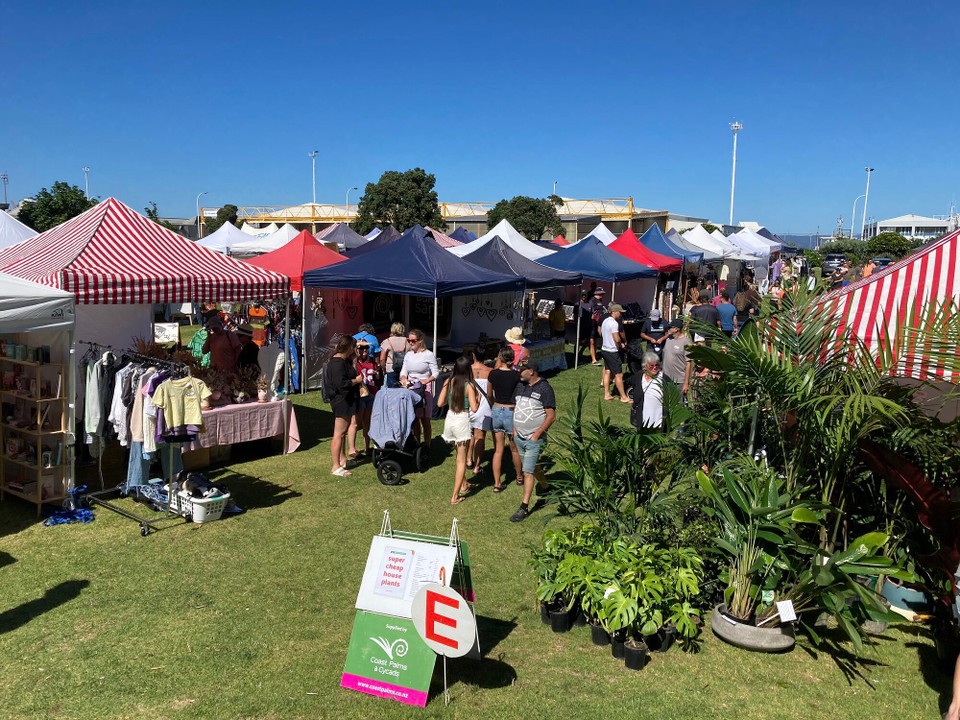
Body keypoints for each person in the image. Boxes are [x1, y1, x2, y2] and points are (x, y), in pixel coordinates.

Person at [510, 361, 556, 522]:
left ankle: (524, 507)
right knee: (532, 466)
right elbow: (516, 407)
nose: (519, 373)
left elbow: (551, 416)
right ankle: (547, 487)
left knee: (527, 472)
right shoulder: (520, 386)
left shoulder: (545, 389)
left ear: (531, 372)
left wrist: (536, 435)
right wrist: (515, 429)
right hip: (519, 437)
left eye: (522, 370)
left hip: (533, 439)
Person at [437, 356, 480, 505]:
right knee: (461, 461)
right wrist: (478, 399)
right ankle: (455, 496)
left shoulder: (448, 381)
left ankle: (464, 484)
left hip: (450, 419)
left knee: (458, 455)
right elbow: (474, 408)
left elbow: (440, 402)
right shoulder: (469, 385)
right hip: (462, 420)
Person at [486, 347, 523, 493]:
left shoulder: (493, 374)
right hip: (511, 410)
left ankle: (497, 483)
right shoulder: (516, 376)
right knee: (514, 449)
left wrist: (494, 404)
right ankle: (519, 476)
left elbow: (489, 394)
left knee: (498, 450)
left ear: (500, 358)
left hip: (497, 409)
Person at [327, 335, 364, 477]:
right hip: (341, 401)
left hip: (347, 401)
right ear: (348, 347)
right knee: (339, 434)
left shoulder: (344, 361)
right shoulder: (337, 363)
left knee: (342, 433)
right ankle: (335, 466)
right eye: (353, 347)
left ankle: (342, 460)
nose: (355, 349)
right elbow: (341, 384)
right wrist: (356, 380)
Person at [399, 328, 439, 448]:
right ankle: (416, 443)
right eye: (408, 340)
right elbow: (403, 371)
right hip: (411, 389)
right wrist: (404, 379)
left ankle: (427, 444)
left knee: (425, 419)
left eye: (413, 341)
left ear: (420, 341)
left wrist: (426, 380)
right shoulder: (408, 355)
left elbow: (436, 373)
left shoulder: (428, 355)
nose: (410, 343)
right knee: (415, 418)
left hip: (424, 389)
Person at [349, 340, 380, 458]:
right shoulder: (354, 362)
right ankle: (352, 450)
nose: (365, 350)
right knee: (356, 422)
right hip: (359, 394)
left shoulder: (371, 361)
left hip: (371, 393)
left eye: (366, 347)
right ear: (356, 349)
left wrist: (376, 374)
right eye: (361, 348)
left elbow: (377, 376)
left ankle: (367, 447)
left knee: (367, 421)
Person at [465, 348, 492, 476]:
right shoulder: (490, 372)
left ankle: (469, 459)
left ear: (473, 355)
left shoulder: (466, 369)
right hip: (484, 407)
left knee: (470, 434)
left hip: (468, 405)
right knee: (480, 437)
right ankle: (477, 466)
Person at [600, 303, 631, 403]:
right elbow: (616, 338)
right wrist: (621, 344)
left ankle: (607, 394)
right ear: (615, 312)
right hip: (612, 351)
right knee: (619, 375)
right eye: (620, 312)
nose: (621, 314)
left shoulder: (605, 321)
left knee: (607, 371)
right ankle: (623, 397)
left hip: (604, 349)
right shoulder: (614, 323)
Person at [630, 351, 664, 430]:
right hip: (642, 417)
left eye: (657, 365)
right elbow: (634, 386)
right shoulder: (639, 376)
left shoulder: (663, 378)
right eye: (651, 366)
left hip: (658, 418)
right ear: (645, 366)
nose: (655, 368)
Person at [662, 318, 693, 399]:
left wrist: (686, 383)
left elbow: (688, 363)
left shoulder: (686, 342)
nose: (668, 329)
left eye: (670, 327)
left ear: (676, 329)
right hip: (666, 379)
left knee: (680, 405)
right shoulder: (668, 339)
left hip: (679, 380)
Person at [379, 322, 407, 388]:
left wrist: (384, 369)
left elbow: (382, 358)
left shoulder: (387, 341)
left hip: (390, 368)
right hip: (404, 369)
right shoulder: (407, 341)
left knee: (392, 391)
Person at [588, 287, 606, 365]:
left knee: (596, 340)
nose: (602, 295)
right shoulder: (592, 301)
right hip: (592, 323)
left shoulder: (600, 301)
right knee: (592, 341)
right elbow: (590, 312)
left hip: (599, 323)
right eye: (601, 293)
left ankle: (595, 355)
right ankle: (593, 359)